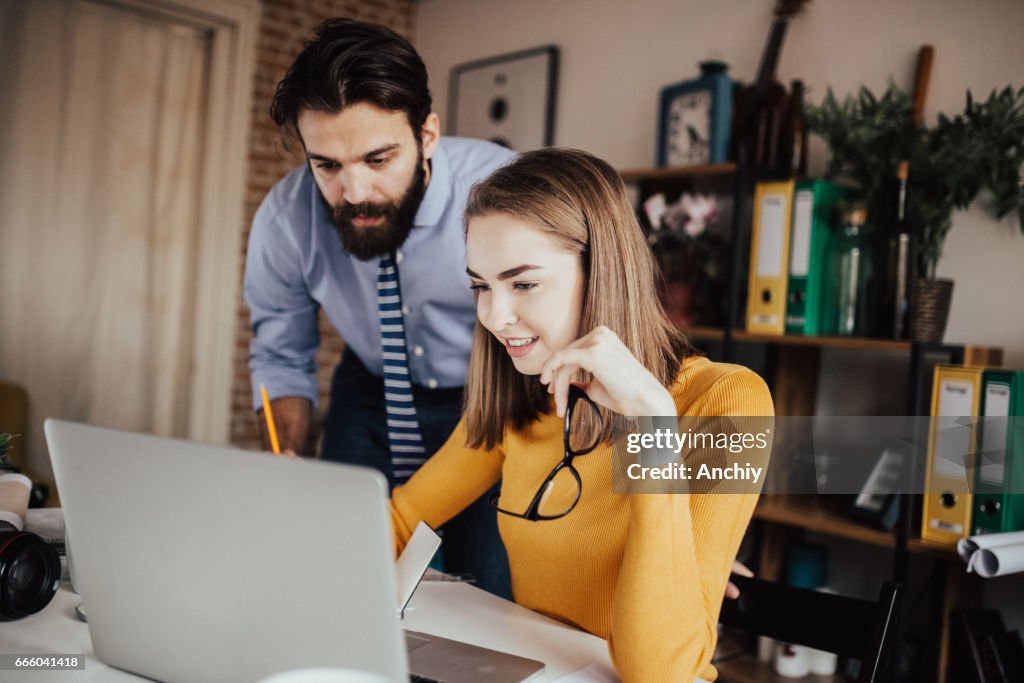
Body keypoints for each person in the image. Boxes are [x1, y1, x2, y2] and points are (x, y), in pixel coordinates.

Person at [389, 148, 774, 682]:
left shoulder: (730, 401)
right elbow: (402, 518)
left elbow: (659, 675)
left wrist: (653, 426)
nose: (494, 316)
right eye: (482, 285)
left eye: (523, 283)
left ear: (603, 273)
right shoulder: (523, 397)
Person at [244, 19, 514, 597]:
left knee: (490, 590)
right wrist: (283, 455)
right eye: (328, 166)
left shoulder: (504, 192)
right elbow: (281, 354)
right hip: (370, 387)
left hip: (494, 394)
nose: (356, 192)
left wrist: (668, 521)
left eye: (378, 158)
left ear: (429, 135)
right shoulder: (287, 218)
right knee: (341, 570)